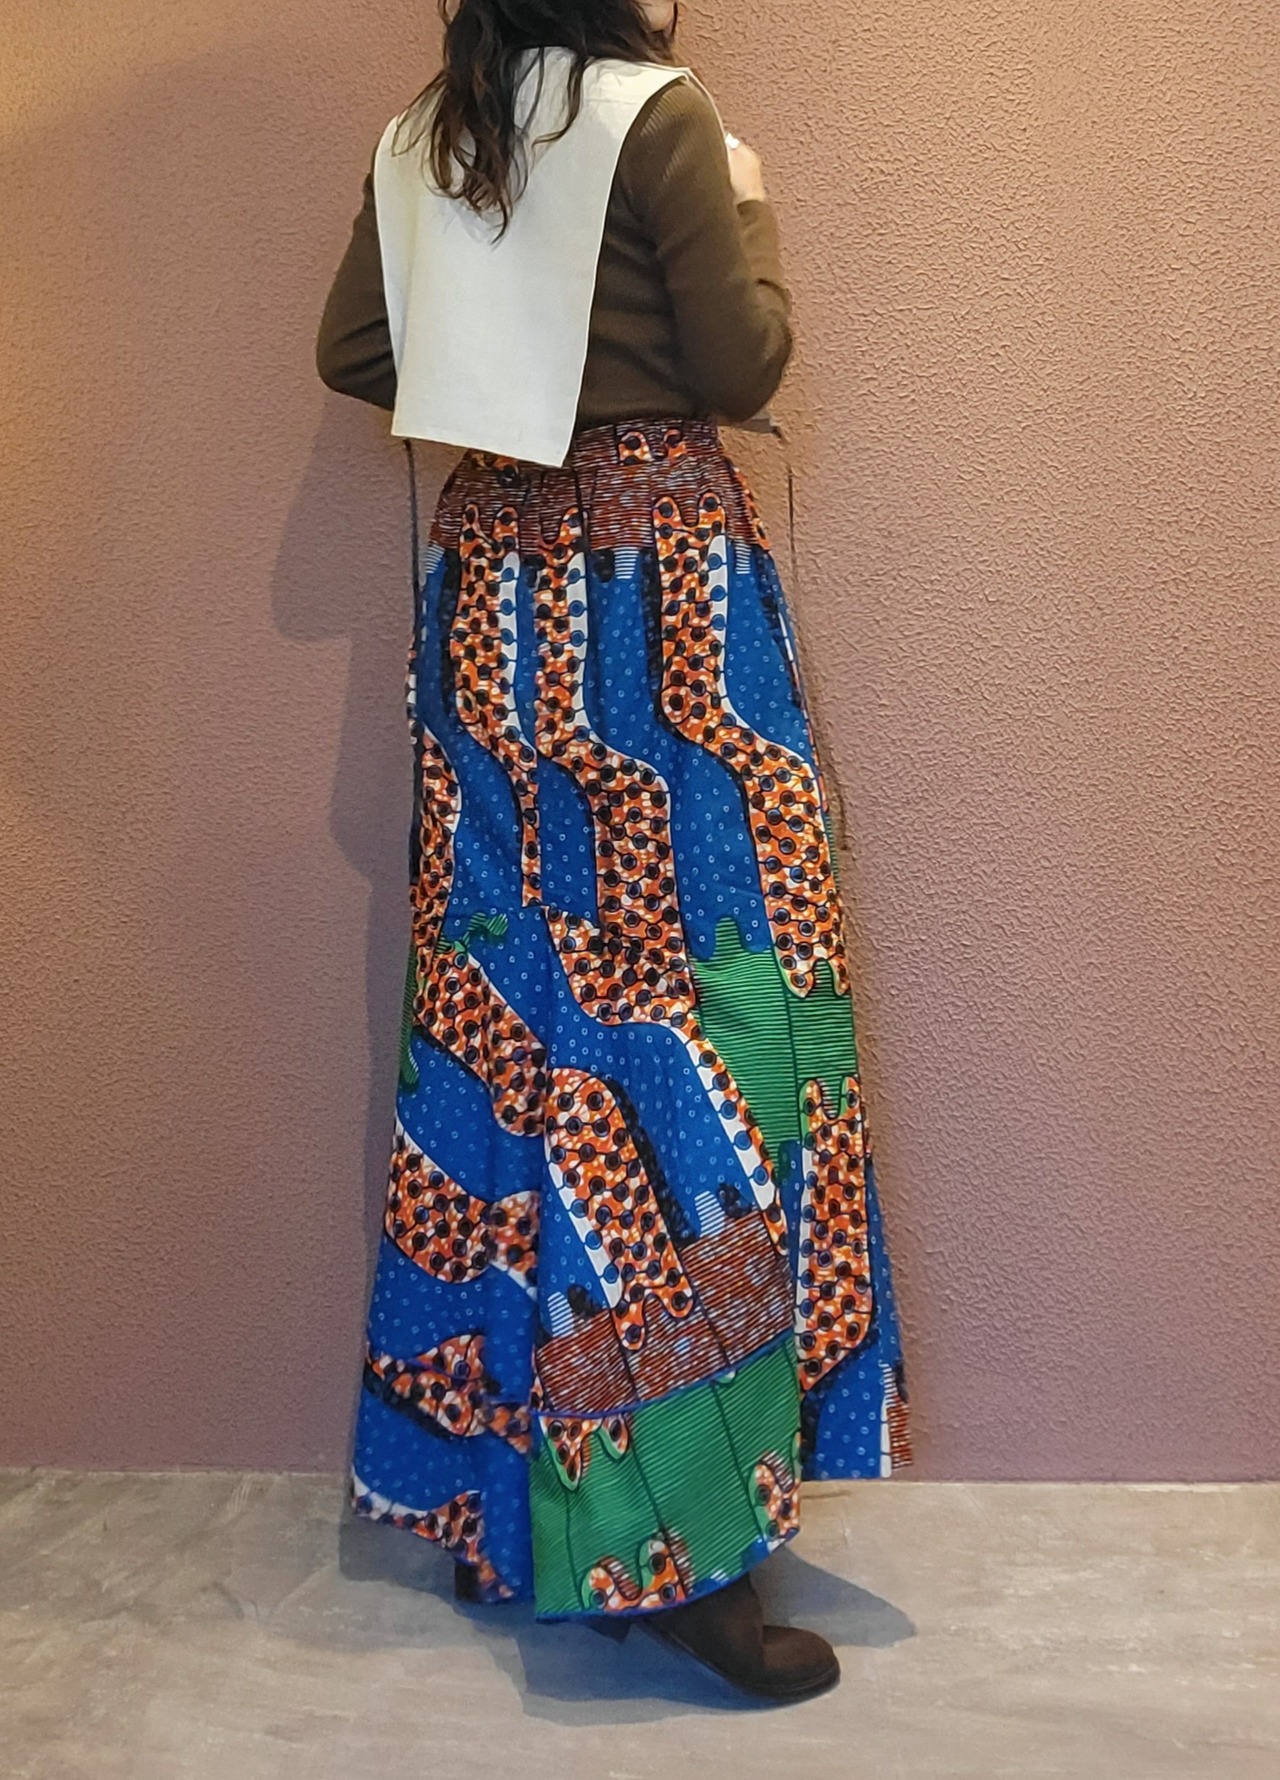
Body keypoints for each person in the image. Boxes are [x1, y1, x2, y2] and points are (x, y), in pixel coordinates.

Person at [316, 0, 910, 1706]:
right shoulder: (661, 115)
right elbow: (742, 367)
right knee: (701, 1020)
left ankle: (512, 1502)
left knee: (512, 1016)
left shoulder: (429, 127)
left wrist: (503, 359)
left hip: (495, 589)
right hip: (660, 615)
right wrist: (748, 214)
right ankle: (683, 1551)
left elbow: (355, 351)